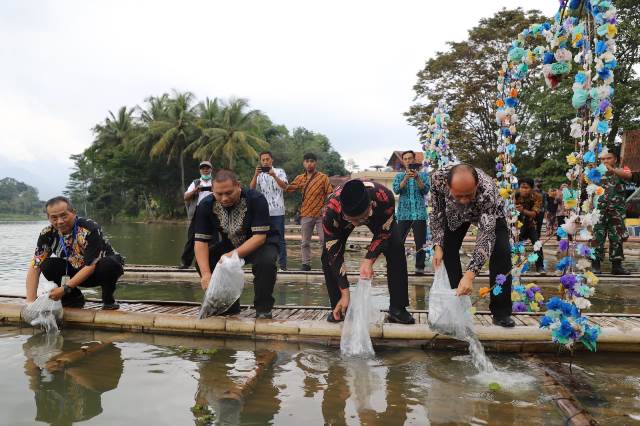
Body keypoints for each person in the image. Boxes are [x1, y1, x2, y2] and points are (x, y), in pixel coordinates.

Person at [430, 164, 515, 328]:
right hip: (455, 214)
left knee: (502, 254)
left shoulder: (488, 190)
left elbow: (486, 234)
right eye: (458, 195)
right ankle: (457, 304)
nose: (464, 200)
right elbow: (437, 211)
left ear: (476, 186)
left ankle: (501, 312)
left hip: (488, 214)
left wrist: (470, 275)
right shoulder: (437, 179)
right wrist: (438, 245)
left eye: (468, 195)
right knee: (447, 251)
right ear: (448, 186)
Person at [321, 179, 414, 324]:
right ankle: (338, 305)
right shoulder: (330, 211)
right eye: (352, 220)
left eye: (361, 219)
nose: (357, 225)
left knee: (396, 246)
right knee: (326, 257)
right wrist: (345, 292)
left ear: (370, 205)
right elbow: (334, 251)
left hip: (377, 216)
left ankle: (398, 308)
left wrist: (369, 259)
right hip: (340, 219)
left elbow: (384, 233)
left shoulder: (384, 197)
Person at [194, 169, 279, 319]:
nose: (224, 198)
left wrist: (232, 255)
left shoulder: (256, 199)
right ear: (213, 191)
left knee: (265, 263)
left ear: (238, 186)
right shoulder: (205, 205)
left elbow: (259, 238)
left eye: (228, 193)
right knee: (206, 261)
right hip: (230, 243)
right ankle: (228, 306)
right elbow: (200, 242)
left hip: (261, 243)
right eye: (219, 194)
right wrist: (206, 274)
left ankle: (263, 308)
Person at [26, 196, 124, 309]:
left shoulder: (90, 228)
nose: (60, 221)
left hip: (99, 271)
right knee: (46, 264)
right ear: (48, 218)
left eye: (64, 215)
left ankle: (108, 300)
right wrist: (30, 302)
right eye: (54, 218)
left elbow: (90, 265)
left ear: (73, 212)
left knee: (109, 263)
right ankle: (73, 299)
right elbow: (35, 266)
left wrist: (64, 289)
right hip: (74, 271)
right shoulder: (47, 234)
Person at [286, 153, 333, 271]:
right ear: (303, 163)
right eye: (307, 161)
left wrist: (326, 206)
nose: (309, 163)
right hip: (306, 214)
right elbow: (288, 189)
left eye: (312, 161)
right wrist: (275, 177)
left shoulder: (323, 177)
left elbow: (330, 194)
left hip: (321, 215)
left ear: (315, 163)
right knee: (305, 242)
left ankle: (326, 264)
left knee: (323, 241)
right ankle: (305, 264)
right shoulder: (300, 178)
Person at [590, 148, 630, 275]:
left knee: (617, 237)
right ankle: (595, 265)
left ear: (615, 159)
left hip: (616, 211)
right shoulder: (596, 173)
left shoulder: (622, 170)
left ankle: (616, 266)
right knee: (597, 237)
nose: (605, 161)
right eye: (603, 159)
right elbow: (587, 187)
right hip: (599, 211)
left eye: (609, 158)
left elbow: (628, 176)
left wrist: (612, 170)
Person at [392, 150, 430, 275]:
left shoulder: (423, 175)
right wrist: (405, 179)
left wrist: (417, 178)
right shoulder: (398, 176)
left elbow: (425, 191)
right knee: (398, 241)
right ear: (403, 161)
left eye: (410, 158)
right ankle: (396, 265)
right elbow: (396, 190)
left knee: (420, 242)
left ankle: (420, 268)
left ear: (414, 160)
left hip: (419, 213)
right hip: (403, 213)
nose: (408, 160)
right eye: (405, 159)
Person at [250, 151, 289, 271]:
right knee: (262, 239)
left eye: (267, 159)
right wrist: (255, 175)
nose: (265, 161)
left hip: (278, 211)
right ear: (261, 161)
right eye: (263, 160)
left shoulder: (280, 171)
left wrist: (274, 176)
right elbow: (251, 190)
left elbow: (285, 186)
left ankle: (283, 266)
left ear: (272, 160)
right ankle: (265, 265)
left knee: (280, 239)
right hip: (264, 212)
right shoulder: (259, 174)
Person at [180, 161, 214, 268]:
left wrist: (215, 190)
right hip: (197, 213)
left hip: (213, 213)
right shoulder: (195, 182)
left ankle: (211, 264)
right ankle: (185, 263)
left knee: (213, 239)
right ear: (200, 170)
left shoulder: (216, 182)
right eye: (203, 168)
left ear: (211, 170)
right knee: (192, 239)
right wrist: (195, 191)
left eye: (207, 168)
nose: (205, 170)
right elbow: (186, 197)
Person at [514, 177, 545, 272]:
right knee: (516, 245)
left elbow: (534, 213)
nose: (523, 190)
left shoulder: (537, 196)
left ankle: (540, 267)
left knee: (537, 244)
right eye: (522, 187)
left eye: (526, 187)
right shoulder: (514, 196)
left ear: (531, 188)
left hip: (532, 224)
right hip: (518, 225)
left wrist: (522, 210)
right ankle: (516, 264)